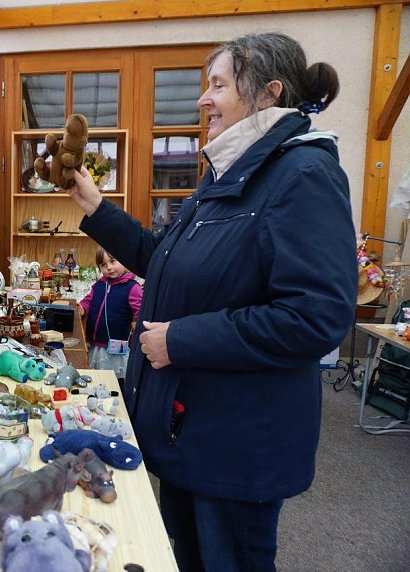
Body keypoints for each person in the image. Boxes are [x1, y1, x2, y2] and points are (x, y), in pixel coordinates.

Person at [66, 33, 356, 571]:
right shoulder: (229, 174)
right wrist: (96, 207)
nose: (204, 99)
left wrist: (179, 340)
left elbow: (315, 317)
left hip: (239, 446)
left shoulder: (303, 175)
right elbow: (163, 259)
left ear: (267, 93)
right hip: (195, 434)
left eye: (218, 85)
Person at [77, 246, 143, 379]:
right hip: (96, 345)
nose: (109, 268)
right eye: (103, 265)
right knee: (96, 379)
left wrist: (138, 324)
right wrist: (82, 308)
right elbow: (88, 300)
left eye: (113, 261)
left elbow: (141, 312)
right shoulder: (99, 285)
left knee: (113, 380)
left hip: (117, 350)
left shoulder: (133, 288)